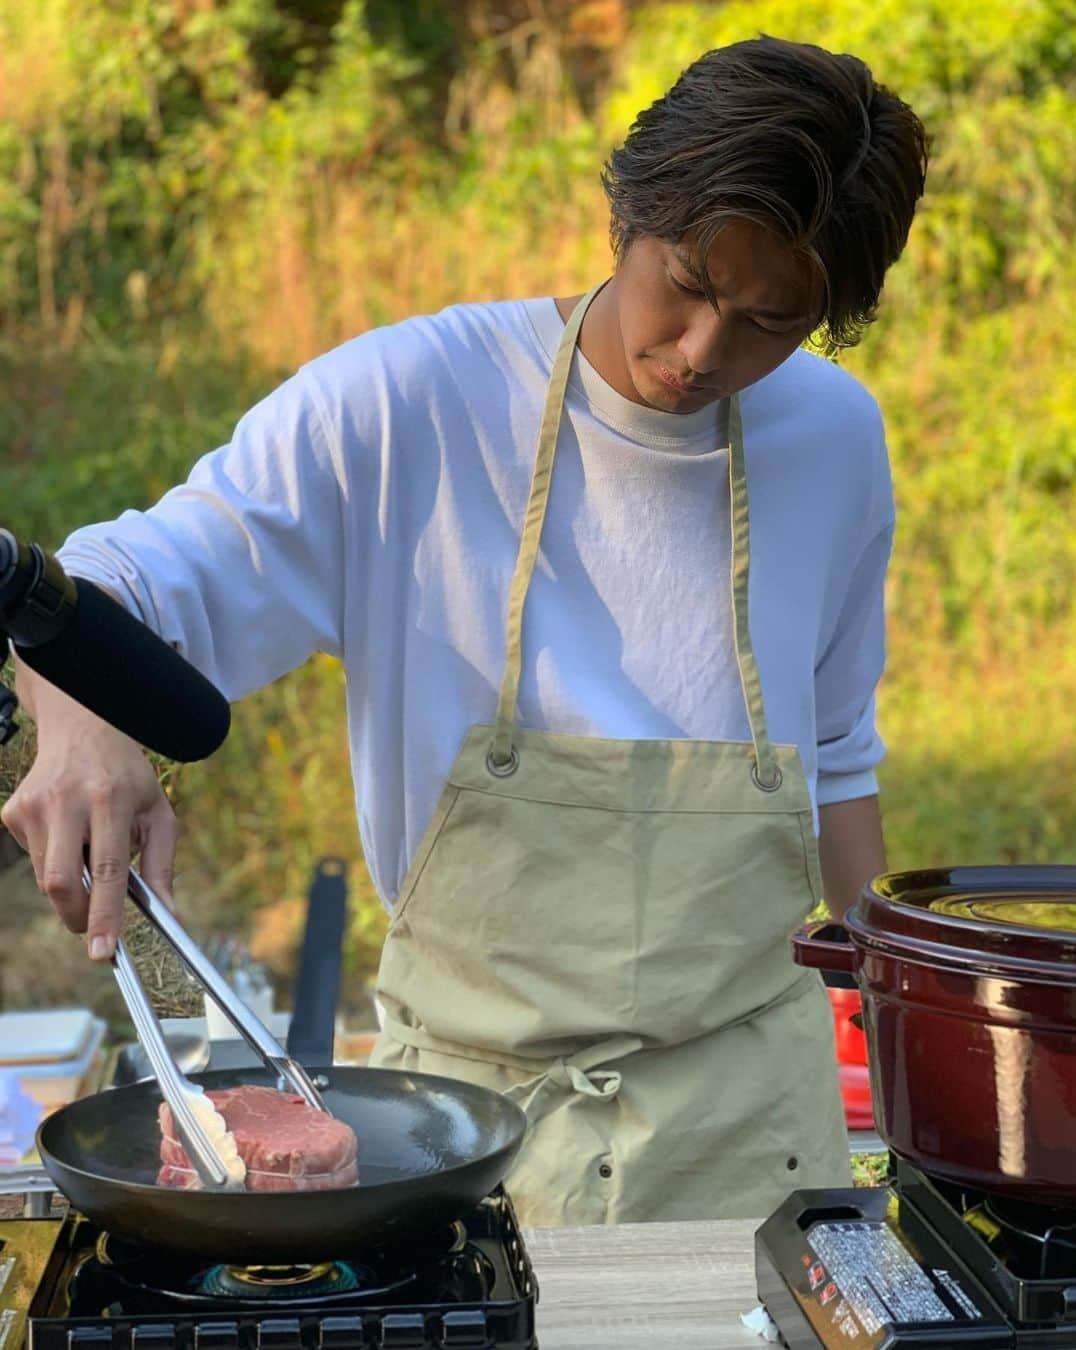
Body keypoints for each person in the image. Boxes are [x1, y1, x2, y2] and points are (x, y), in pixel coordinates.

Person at [2, 35, 928, 1226]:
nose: (705, 354)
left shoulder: (835, 441)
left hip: (754, 1128)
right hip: (473, 1139)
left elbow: (838, 760)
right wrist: (84, 734)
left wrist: (909, 1028)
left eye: (769, 322)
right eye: (690, 285)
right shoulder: (408, 407)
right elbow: (110, 581)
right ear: (627, 213)